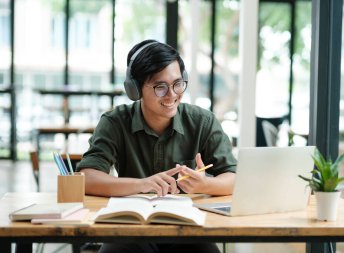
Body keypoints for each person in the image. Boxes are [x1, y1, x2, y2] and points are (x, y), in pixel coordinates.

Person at [76, 39, 237, 253]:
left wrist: (204, 185)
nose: (172, 95)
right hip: (131, 228)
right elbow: (87, 177)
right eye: (160, 87)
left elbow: (234, 178)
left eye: (178, 84)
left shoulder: (202, 121)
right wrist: (142, 184)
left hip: (188, 228)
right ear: (135, 89)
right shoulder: (115, 121)